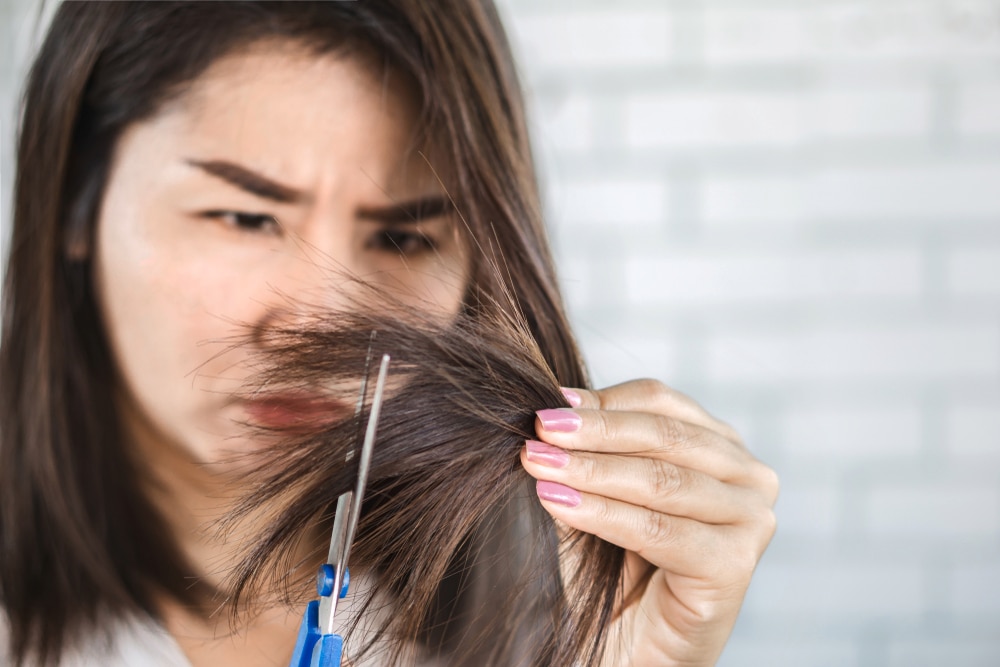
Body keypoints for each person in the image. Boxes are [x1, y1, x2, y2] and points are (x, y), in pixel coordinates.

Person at [0, 2, 778, 666]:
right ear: (76, 201)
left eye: (404, 238)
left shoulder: (537, 619)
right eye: (243, 217)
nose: (320, 324)